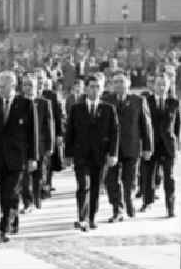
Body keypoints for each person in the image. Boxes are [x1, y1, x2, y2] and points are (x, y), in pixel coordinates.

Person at [0, 70, 39, 242]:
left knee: (11, 192)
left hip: (17, 158)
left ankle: (4, 226)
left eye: (3, 86)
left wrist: (33, 158)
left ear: (13, 85)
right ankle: (12, 222)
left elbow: (32, 133)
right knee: (5, 193)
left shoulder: (26, 104)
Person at [64, 75, 119, 231]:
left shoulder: (109, 109)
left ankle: (91, 217)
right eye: (92, 86)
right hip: (81, 155)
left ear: (102, 89)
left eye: (98, 87)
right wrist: (68, 154)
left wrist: (113, 154)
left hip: (100, 156)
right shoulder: (76, 109)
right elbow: (70, 132)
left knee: (95, 187)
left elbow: (115, 133)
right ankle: (82, 218)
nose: (95, 90)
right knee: (83, 185)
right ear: (86, 88)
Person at [106, 71, 152, 221]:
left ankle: (128, 199)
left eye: (121, 81)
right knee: (111, 180)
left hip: (131, 147)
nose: (119, 85)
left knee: (129, 179)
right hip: (112, 148)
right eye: (116, 82)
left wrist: (147, 147)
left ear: (128, 83)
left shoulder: (138, 101)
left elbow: (146, 125)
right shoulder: (106, 100)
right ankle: (117, 209)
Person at [142, 74, 181, 217]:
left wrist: (177, 143)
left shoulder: (174, 102)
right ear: (154, 85)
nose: (162, 87)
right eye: (159, 84)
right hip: (151, 144)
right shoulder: (146, 101)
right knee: (148, 175)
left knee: (169, 177)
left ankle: (170, 207)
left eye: (164, 84)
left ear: (169, 86)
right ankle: (147, 202)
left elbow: (177, 125)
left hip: (167, 145)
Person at [20, 76, 54, 211]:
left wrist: (49, 146)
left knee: (38, 175)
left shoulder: (44, 103)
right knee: (24, 176)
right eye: (25, 85)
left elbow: (49, 125)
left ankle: (36, 198)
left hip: (39, 145)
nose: (28, 87)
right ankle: (27, 202)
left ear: (36, 86)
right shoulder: (18, 102)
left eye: (30, 84)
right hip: (22, 146)